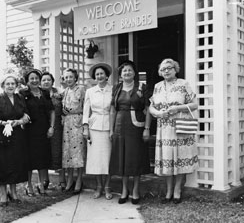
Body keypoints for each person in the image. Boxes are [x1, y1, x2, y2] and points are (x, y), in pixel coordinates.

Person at [149, 58, 198, 204]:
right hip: (164, 128)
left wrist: (177, 108)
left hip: (180, 126)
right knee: (168, 160)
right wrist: (157, 114)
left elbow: (195, 104)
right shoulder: (157, 86)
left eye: (169, 68)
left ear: (175, 69)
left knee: (180, 158)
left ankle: (177, 190)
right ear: (160, 72)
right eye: (163, 69)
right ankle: (168, 191)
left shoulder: (183, 84)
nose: (166, 71)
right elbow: (151, 106)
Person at [0, 74, 30, 207]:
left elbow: (26, 115)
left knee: (15, 163)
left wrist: (19, 121)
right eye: (7, 84)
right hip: (1, 136)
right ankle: (3, 194)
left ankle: (13, 193)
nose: (10, 86)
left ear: (16, 85)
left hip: (17, 136)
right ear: (3, 85)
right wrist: (4, 123)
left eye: (12, 83)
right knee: (2, 164)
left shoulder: (20, 98)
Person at [109, 60, 151, 205]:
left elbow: (147, 109)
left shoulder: (142, 87)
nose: (127, 73)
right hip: (120, 125)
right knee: (122, 158)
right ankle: (124, 190)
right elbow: (113, 110)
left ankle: (135, 190)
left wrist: (147, 128)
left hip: (136, 126)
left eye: (129, 70)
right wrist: (111, 129)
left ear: (134, 73)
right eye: (124, 71)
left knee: (136, 158)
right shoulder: (116, 88)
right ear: (120, 74)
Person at [19, 69, 55, 196]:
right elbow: (20, 110)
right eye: (31, 79)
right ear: (27, 81)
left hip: (44, 129)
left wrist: (51, 127)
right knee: (29, 159)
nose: (34, 81)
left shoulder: (45, 92)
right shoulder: (23, 93)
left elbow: (51, 111)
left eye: (36, 78)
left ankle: (41, 185)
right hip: (29, 130)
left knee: (42, 158)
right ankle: (28, 185)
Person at [83, 63, 113, 200]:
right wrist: (85, 128)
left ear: (107, 76)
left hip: (108, 126)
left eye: (101, 74)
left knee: (106, 158)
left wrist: (113, 129)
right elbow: (86, 111)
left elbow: (114, 110)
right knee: (95, 159)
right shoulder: (90, 91)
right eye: (97, 74)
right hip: (94, 126)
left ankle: (107, 187)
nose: (99, 76)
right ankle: (98, 186)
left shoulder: (113, 90)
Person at [41, 71, 66, 191]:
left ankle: (62, 180)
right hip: (42, 127)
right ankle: (45, 180)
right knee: (44, 152)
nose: (46, 82)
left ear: (52, 81)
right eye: (44, 80)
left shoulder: (59, 93)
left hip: (57, 126)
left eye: (48, 80)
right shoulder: (38, 94)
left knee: (57, 151)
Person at [62, 68, 86, 194]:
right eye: (66, 77)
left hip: (78, 121)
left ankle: (79, 180)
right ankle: (70, 179)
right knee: (68, 152)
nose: (68, 79)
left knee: (78, 152)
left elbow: (86, 106)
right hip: (67, 123)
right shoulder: (65, 91)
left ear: (75, 78)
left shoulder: (81, 89)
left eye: (70, 77)